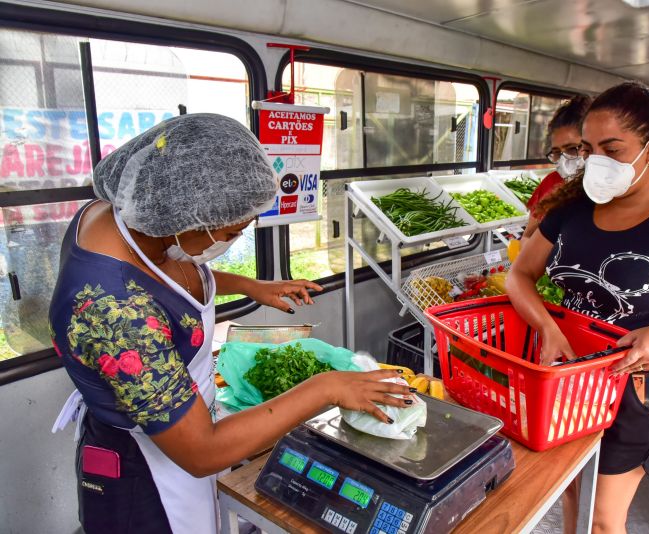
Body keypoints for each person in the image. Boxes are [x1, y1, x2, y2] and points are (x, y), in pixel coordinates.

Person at [48, 114, 414, 534]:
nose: (235, 238)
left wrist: (249, 285)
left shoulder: (128, 217)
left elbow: (162, 273)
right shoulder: (115, 311)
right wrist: (326, 386)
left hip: (179, 430)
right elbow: (201, 450)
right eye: (234, 230)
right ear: (185, 218)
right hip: (145, 476)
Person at [506, 82, 649, 533]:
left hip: (633, 392)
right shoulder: (572, 209)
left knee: (603, 519)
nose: (597, 162)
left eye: (613, 148)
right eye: (588, 149)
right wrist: (548, 328)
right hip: (567, 382)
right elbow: (520, 275)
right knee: (572, 494)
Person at [520, 95, 592, 248]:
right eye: (557, 153)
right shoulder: (551, 183)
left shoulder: (608, 191)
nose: (564, 161)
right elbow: (527, 236)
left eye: (573, 148)